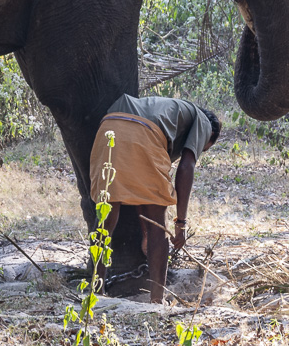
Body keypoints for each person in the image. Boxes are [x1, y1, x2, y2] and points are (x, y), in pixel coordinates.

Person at [88, 94, 221, 303]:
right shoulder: (204, 121)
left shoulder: (166, 109)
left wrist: (145, 234)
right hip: (143, 132)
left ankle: (96, 291)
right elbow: (186, 167)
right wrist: (181, 224)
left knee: (106, 216)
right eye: (205, 148)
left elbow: (142, 190)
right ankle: (157, 301)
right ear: (210, 135)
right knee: (158, 224)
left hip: (108, 128)